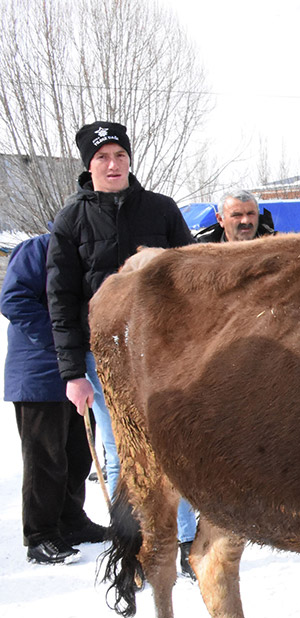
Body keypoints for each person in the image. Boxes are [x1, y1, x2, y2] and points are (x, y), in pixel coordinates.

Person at [46, 121, 199, 579]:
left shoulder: (161, 209)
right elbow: (61, 298)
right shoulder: (71, 219)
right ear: (88, 165)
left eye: (120, 156)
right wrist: (73, 372)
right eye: (103, 158)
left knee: (174, 444)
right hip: (102, 356)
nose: (113, 165)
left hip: (159, 349)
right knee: (119, 451)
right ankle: (131, 545)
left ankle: (187, 541)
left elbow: (190, 279)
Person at [4, 233, 107, 565]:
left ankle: (71, 520)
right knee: (45, 456)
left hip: (81, 368)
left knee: (78, 452)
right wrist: (59, 338)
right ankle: (40, 534)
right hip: (40, 369)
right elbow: (13, 298)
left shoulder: (92, 250)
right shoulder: (38, 249)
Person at [195, 190, 276, 243]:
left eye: (250, 214)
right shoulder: (202, 254)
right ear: (220, 219)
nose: (246, 221)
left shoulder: (277, 247)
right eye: (237, 215)